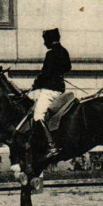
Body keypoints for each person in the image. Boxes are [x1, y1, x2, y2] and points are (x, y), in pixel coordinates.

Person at [28, 27, 71, 160]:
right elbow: (68, 67)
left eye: (45, 40)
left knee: (38, 116)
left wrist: (35, 84)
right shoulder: (64, 51)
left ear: (49, 40)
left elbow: (45, 73)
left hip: (49, 91)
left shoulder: (51, 54)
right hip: (61, 90)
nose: (44, 43)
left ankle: (51, 145)